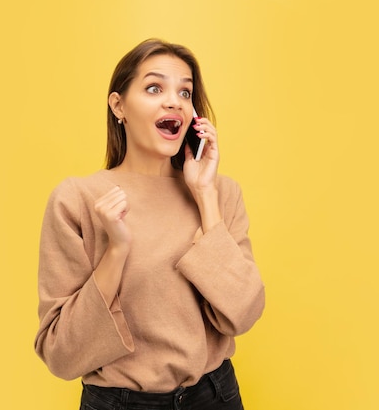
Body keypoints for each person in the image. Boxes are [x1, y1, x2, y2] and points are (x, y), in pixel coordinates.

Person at [34, 38, 265, 410]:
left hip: (215, 397)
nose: (175, 101)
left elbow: (244, 312)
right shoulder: (76, 199)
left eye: (185, 92)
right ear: (118, 105)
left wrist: (204, 196)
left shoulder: (221, 194)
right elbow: (61, 354)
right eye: (154, 87)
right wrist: (117, 250)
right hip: (118, 402)